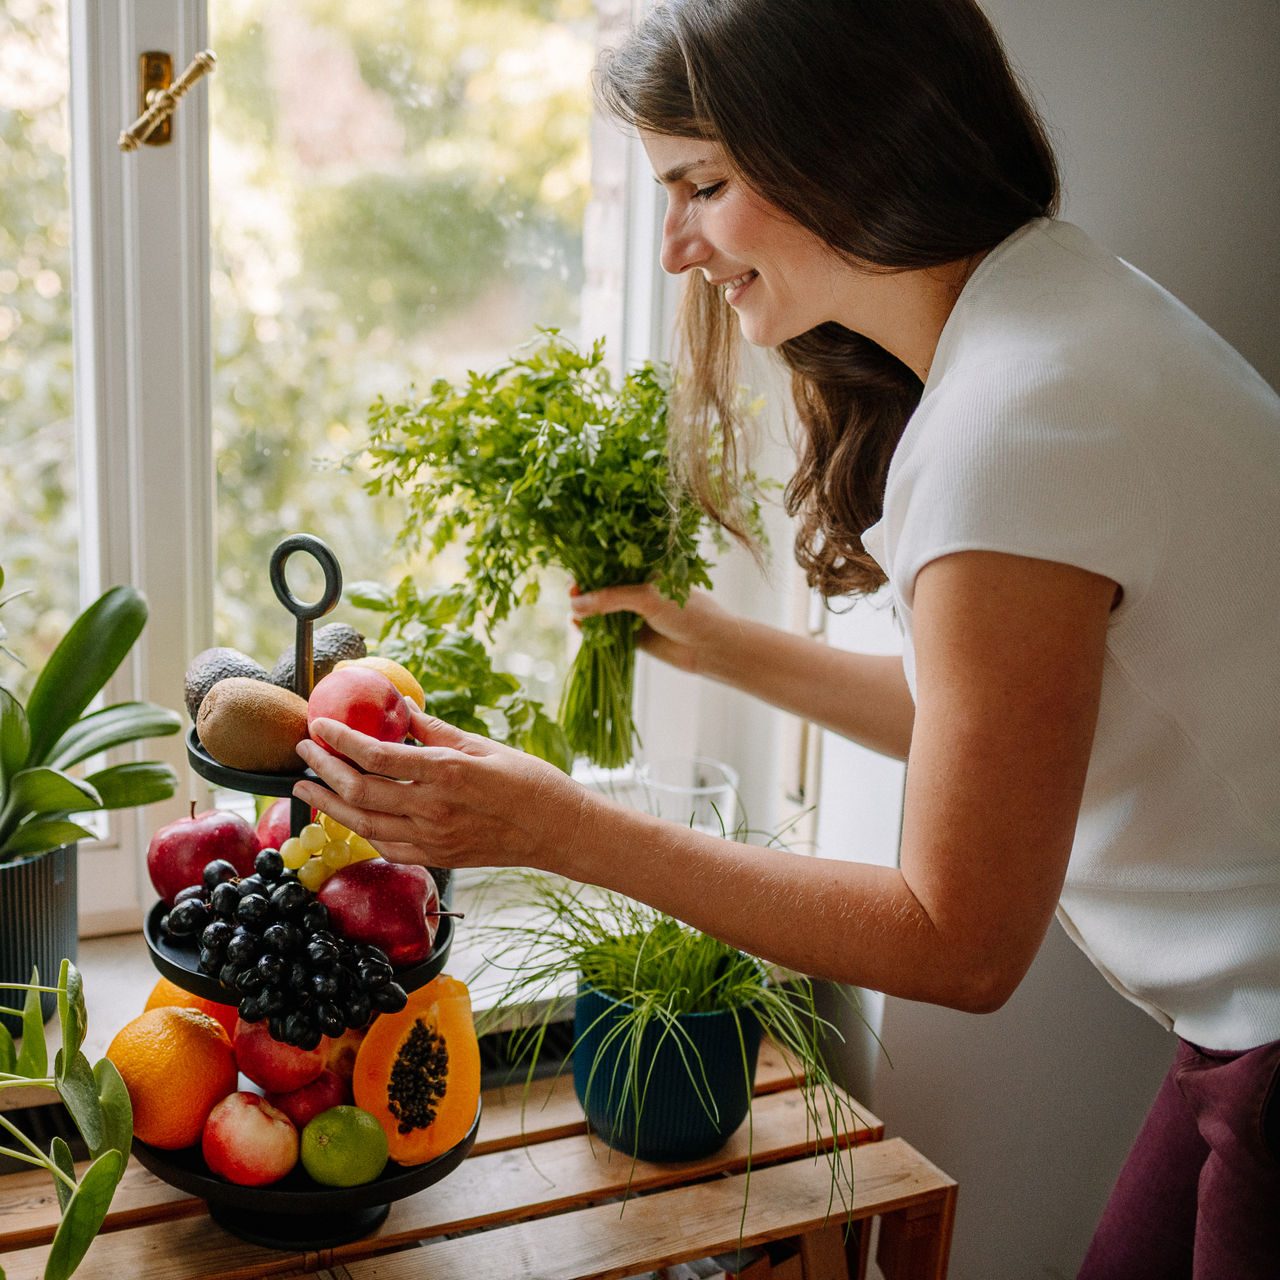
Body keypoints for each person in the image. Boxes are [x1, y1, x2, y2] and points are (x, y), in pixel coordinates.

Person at [291, 1, 1280, 1273]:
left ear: (845, 143)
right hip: (1237, 1022)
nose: (673, 248)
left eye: (701, 186)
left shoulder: (1018, 419)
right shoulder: (1050, 309)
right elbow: (986, 735)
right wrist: (713, 645)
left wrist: (557, 828)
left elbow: (960, 939)